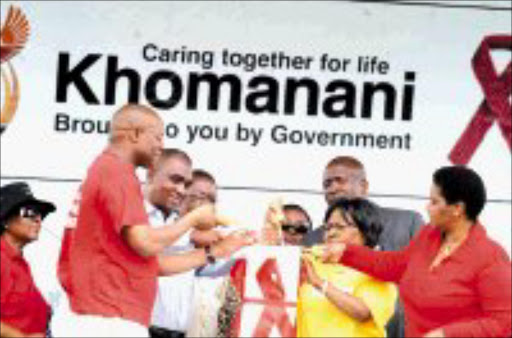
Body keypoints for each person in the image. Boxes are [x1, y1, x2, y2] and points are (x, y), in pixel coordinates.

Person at [54, 104, 253, 338]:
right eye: (157, 137)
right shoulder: (117, 172)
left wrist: (216, 250)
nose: (160, 146)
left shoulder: (109, 170)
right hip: (106, 317)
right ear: (135, 133)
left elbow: (150, 264)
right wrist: (193, 218)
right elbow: (146, 243)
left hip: (109, 314)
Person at [323, 166, 512, 338]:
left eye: (434, 202)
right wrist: (345, 253)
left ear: (457, 209)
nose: (427, 207)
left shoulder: (491, 257)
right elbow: (395, 266)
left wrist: (446, 334)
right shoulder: (428, 236)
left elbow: (503, 323)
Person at [304, 155, 424, 337]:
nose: (333, 188)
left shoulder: (407, 222)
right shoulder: (312, 238)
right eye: (327, 184)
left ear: (364, 186)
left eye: (340, 180)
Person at [299, 198, 397, 337]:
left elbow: (363, 313)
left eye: (340, 227)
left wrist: (319, 284)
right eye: (328, 227)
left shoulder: (379, 267)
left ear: (365, 230)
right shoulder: (313, 258)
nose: (331, 233)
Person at [0, 182, 56, 338]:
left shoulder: (19, 262)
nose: (38, 219)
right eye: (29, 212)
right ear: (5, 220)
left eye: (39, 214)